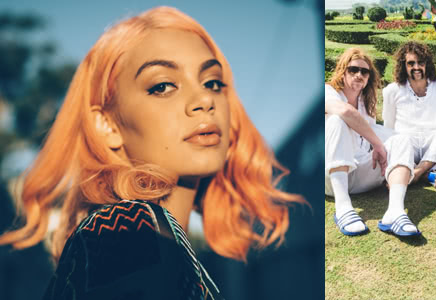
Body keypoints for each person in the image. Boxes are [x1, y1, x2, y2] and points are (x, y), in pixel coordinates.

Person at [0, 7, 303, 300]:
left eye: (212, 82)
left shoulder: (154, 236)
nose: (204, 100)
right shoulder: (128, 229)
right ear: (107, 125)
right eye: (162, 86)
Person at [326, 48, 420, 237]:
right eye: (353, 69)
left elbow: (377, 132)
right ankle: (343, 207)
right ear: (343, 71)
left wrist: (397, 153)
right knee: (337, 120)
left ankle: (394, 212)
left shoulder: (365, 102)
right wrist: (378, 145)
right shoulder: (327, 92)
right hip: (329, 177)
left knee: (402, 139)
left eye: (364, 71)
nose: (359, 75)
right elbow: (345, 112)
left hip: (360, 173)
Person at [382, 41, 436, 187]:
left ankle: (417, 171)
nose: (416, 67)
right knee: (397, 140)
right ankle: (425, 174)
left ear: (427, 64)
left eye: (420, 62)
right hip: (407, 142)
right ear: (403, 65)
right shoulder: (392, 91)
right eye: (411, 63)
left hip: (435, 144)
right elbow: (389, 126)